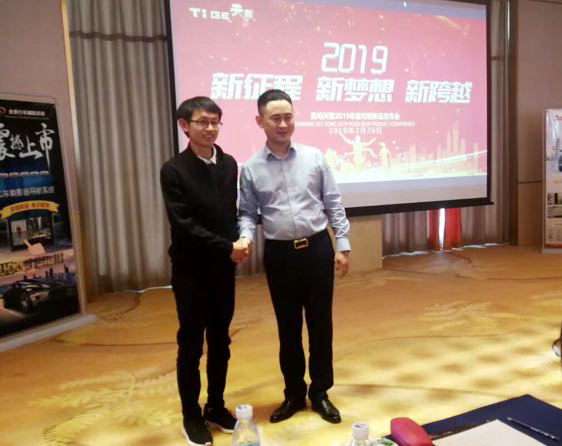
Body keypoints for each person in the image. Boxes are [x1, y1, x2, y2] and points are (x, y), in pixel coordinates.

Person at [238, 89, 351, 424]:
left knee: (320, 325)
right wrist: (245, 237)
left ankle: (321, 393)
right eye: (275, 118)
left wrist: (342, 245)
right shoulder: (251, 169)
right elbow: (248, 213)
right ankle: (293, 394)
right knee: (288, 329)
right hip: (280, 256)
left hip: (317, 250)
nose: (283, 123)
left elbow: (333, 203)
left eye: (288, 116)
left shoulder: (314, 157)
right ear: (260, 121)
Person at [160, 96, 248, 446]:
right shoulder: (174, 170)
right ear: (185, 126)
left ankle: (215, 405)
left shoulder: (228, 164)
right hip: (191, 272)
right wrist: (227, 246)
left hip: (223, 270)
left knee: (221, 341)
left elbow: (231, 213)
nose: (210, 128)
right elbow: (183, 225)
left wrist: (240, 240)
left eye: (215, 122)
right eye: (202, 122)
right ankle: (191, 415)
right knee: (191, 344)